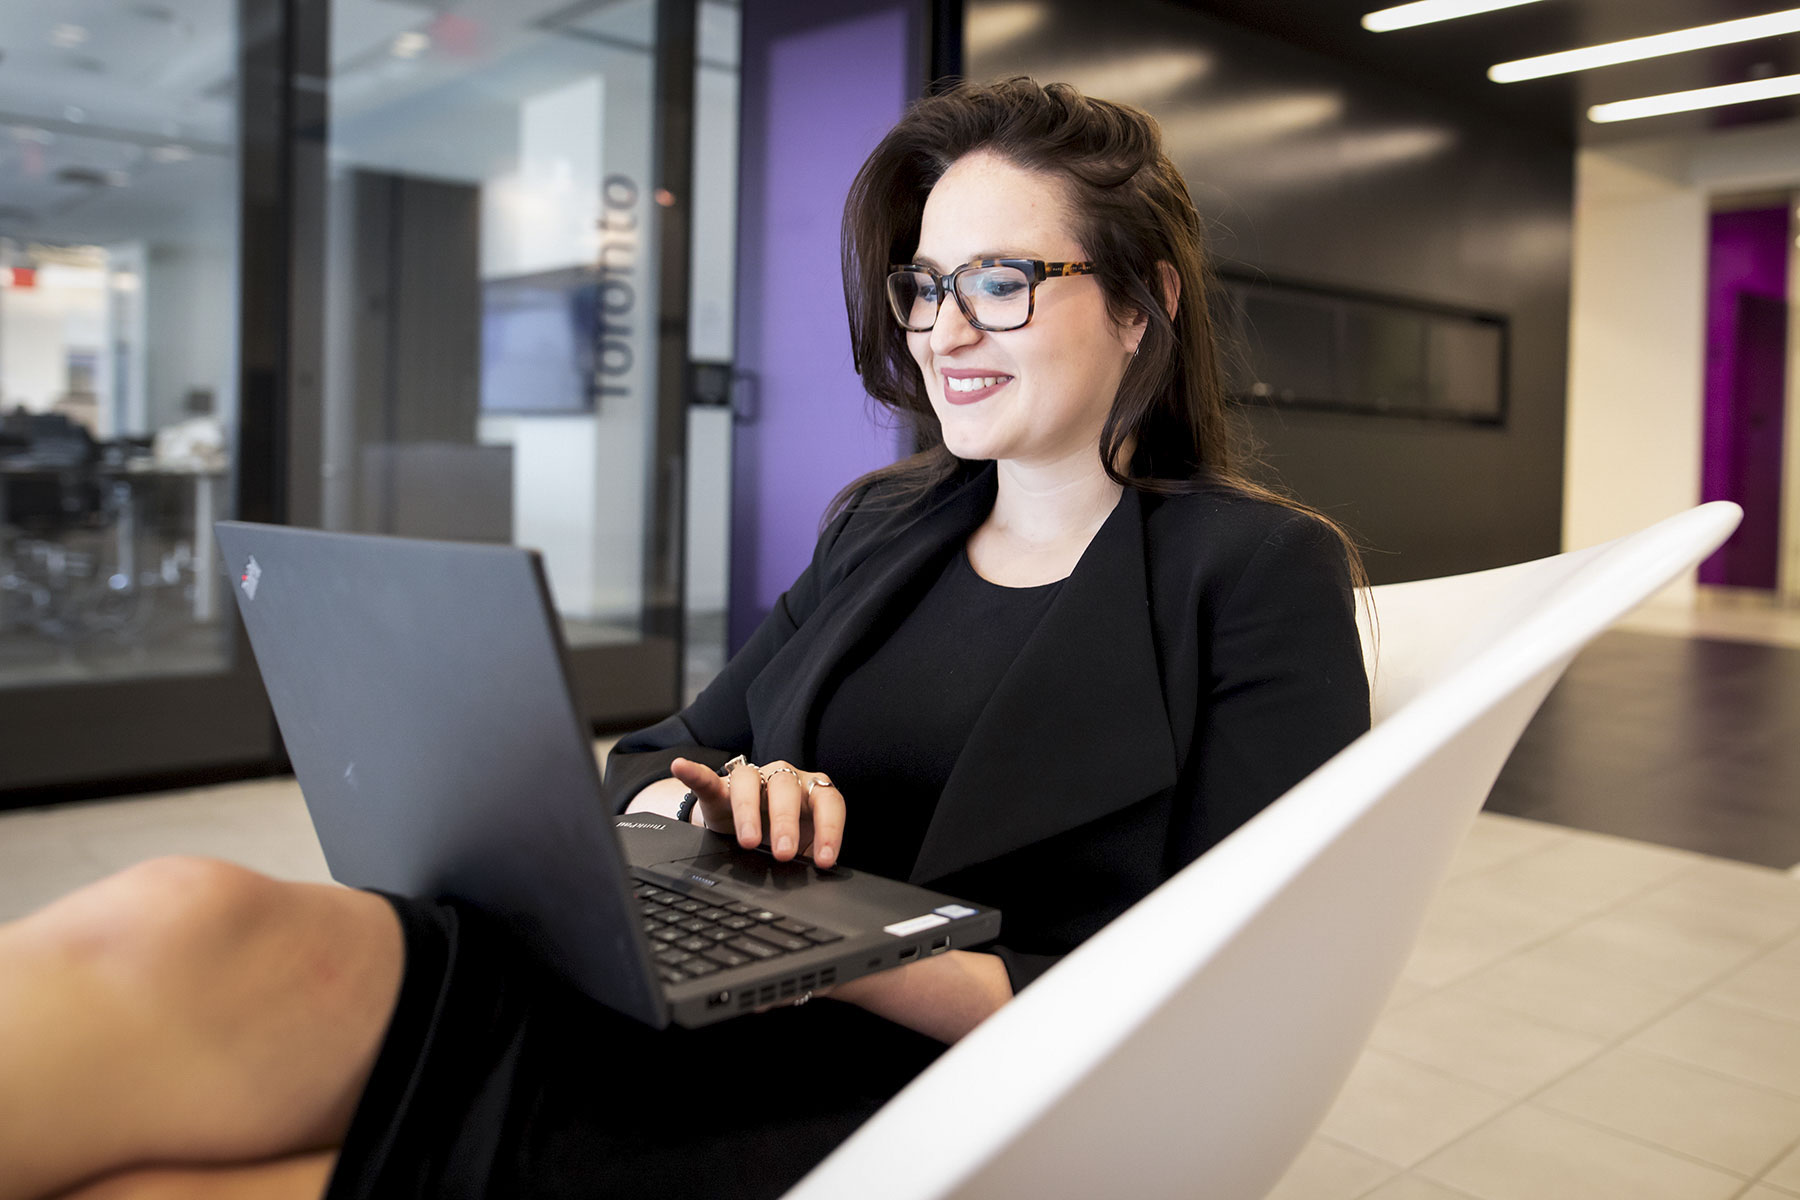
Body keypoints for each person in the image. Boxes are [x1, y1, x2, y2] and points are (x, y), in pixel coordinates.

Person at [0, 78, 1369, 1200]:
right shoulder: (885, 525)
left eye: (1002, 281)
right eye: (924, 285)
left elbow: (1230, 1006)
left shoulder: (1253, 575)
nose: (945, 331)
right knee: (190, 909)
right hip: (673, 987)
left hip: (902, 1088)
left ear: (1146, 302)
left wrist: (849, 945)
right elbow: (658, 758)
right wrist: (712, 804)